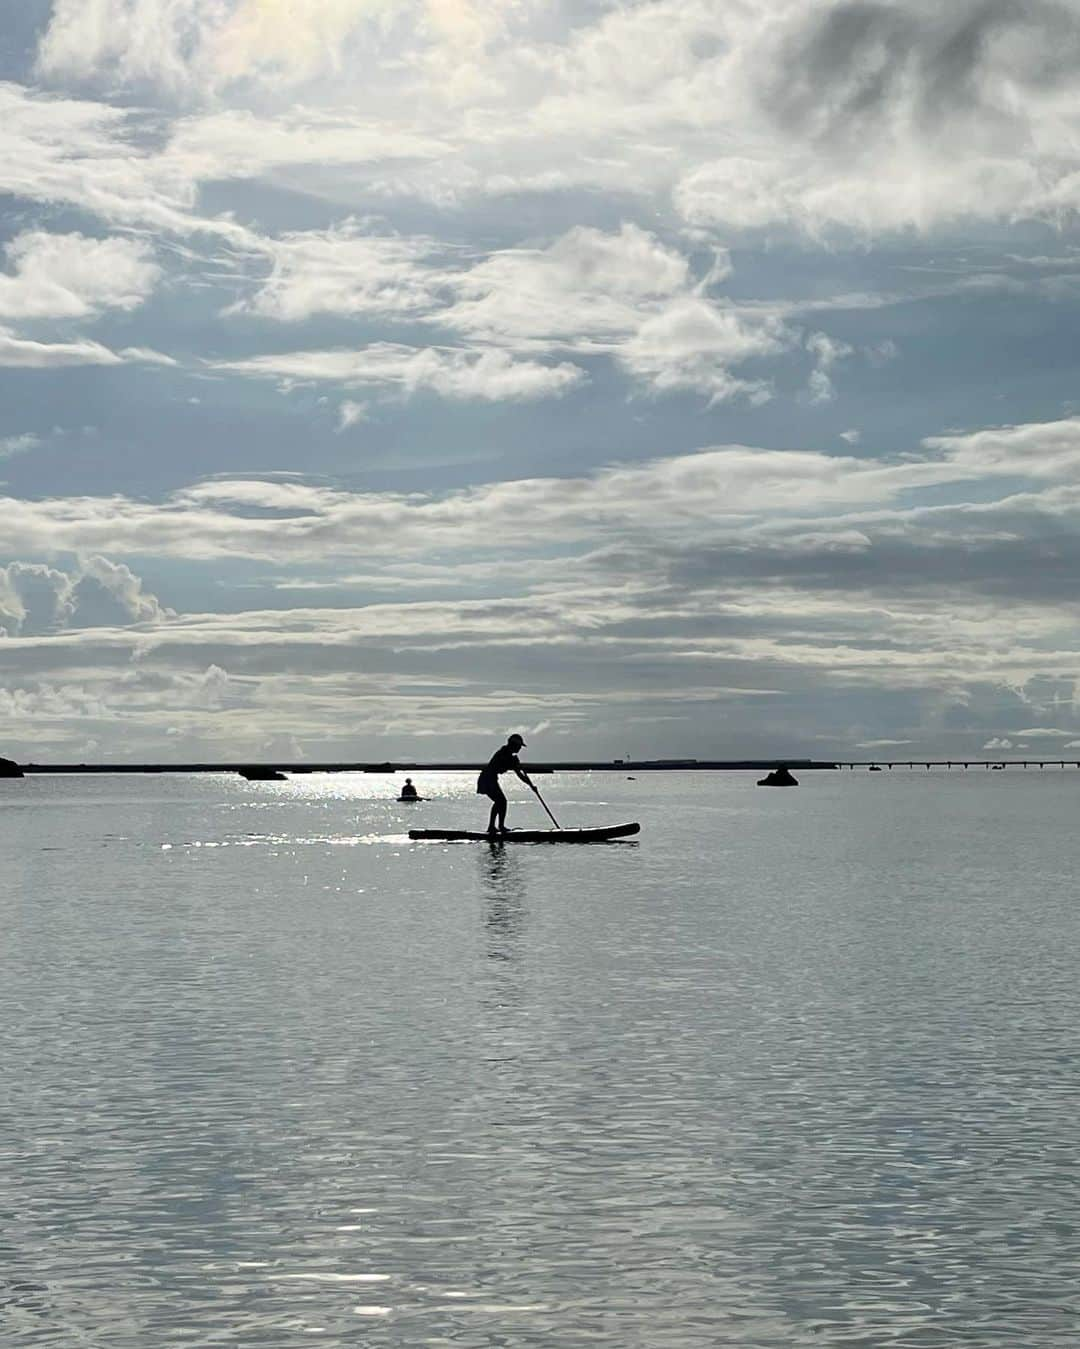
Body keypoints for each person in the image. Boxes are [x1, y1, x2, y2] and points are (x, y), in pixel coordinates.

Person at [477, 733, 534, 835]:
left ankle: (495, 826)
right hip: (486, 779)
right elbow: (503, 762)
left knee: (500, 801)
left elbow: (520, 775)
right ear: (513, 745)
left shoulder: (511, 757)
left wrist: (531, 785)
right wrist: (514, 762)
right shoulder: (503, 753)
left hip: (492, 779)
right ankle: (496, 827)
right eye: (519, 746)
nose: (520, 749)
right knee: (501, 801)